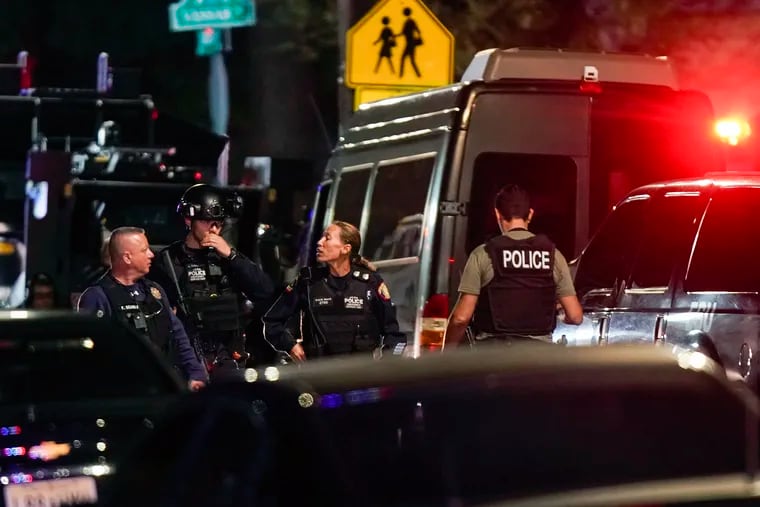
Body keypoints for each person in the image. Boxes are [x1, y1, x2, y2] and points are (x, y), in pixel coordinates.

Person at [149, 183, 274, 374]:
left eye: (219, 223)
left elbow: (265, 291)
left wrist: (231, 256)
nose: (215, 229)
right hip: (185, 359)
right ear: (189, 220)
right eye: (208, 222)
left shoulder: (229, 258)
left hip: (227, 356)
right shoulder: (167, 261)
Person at [443, 184, 583, 348]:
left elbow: (461, 318)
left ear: (497, 214)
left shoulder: (483, 254)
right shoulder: (553, 256)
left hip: (494, 356)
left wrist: (447, 354)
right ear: (530, 214)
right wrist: (561, 318)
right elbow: (575, 316)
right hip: (540, 360)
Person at [77, 227, 207, 391]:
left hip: (164, 388)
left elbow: (178, 335)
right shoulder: (97, 296)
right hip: (126, 393)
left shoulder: (155, 292)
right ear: (127, 257)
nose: (151, 255)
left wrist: (196, 374)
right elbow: (90, 357)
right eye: (144, 250)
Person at [263, 220, 406, 361]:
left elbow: (395, 337)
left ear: (346, 248)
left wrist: (387, 365)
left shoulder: (370, 283)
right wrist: (290, 346)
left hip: (360, 376)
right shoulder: (308, 282)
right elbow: (272, 322)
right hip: (319, 375)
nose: (320, 242)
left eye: (327, 238)